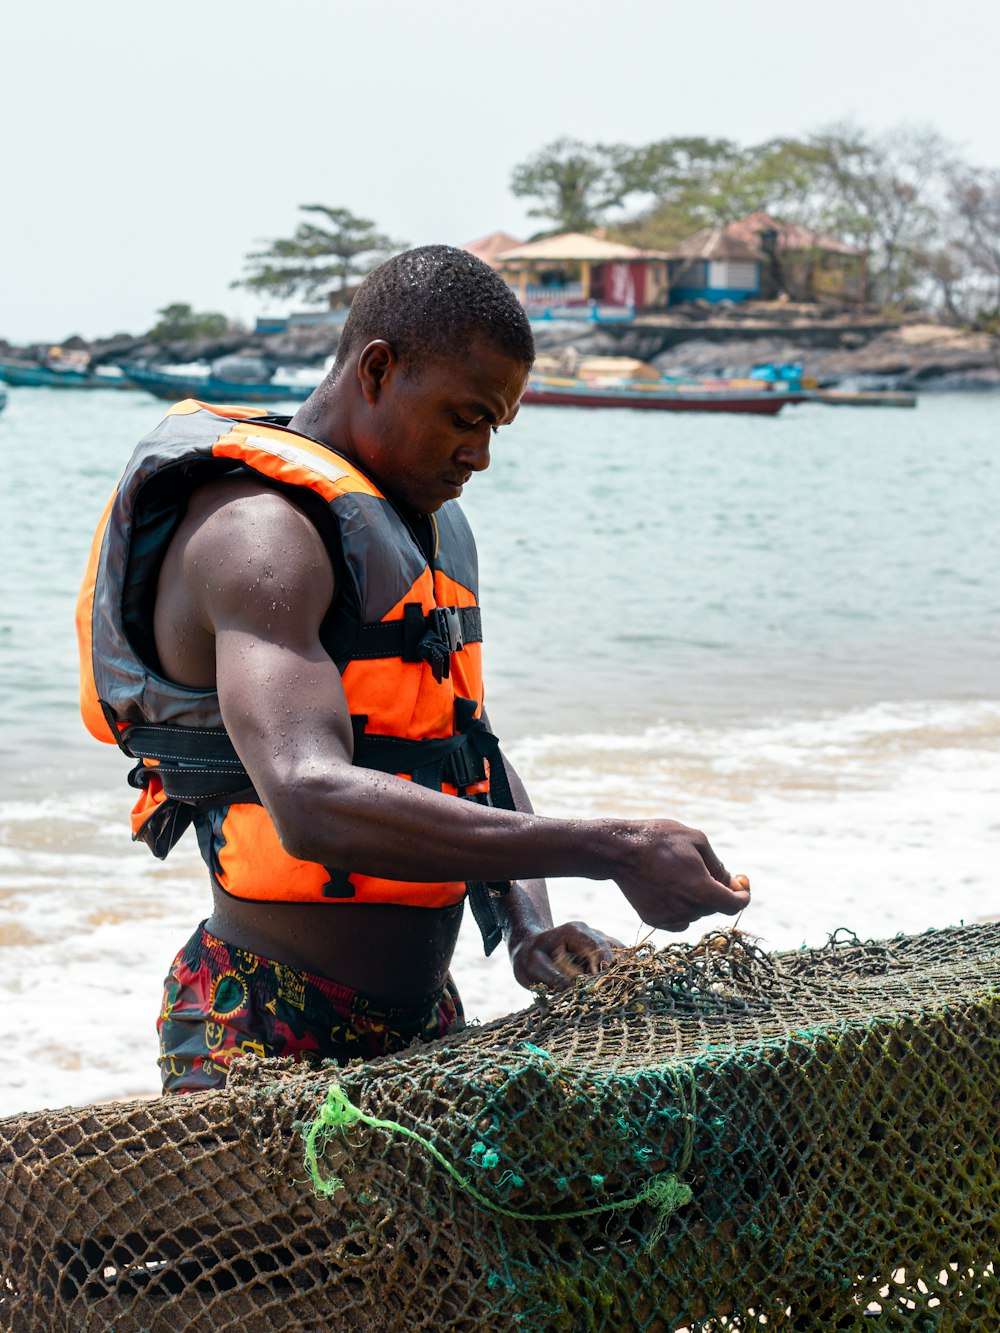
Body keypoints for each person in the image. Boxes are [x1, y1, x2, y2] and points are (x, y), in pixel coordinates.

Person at [77, 246, 749, 1094]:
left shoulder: (416, 525)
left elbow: (464, 751)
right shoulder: (261, 536)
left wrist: (527, 922)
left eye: (495, 426)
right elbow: (309, 798)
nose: (481, 454)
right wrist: (611, 848)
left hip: (427, 1023)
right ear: (379, 369)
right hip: (262, 1027)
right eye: (466, 417)